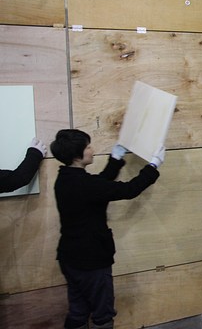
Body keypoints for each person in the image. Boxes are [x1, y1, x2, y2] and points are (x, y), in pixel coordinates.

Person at [51, 129, 166, 329]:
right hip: (91, 260)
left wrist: (115, 159)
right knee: (102, 314)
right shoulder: (87, 185)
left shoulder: (64, 178)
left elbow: (100, 184)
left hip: (69, 257)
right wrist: (153, 165)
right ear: (77, 156)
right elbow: (129, 190)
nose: (92, 150)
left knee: (78, 311)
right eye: (88, 147)